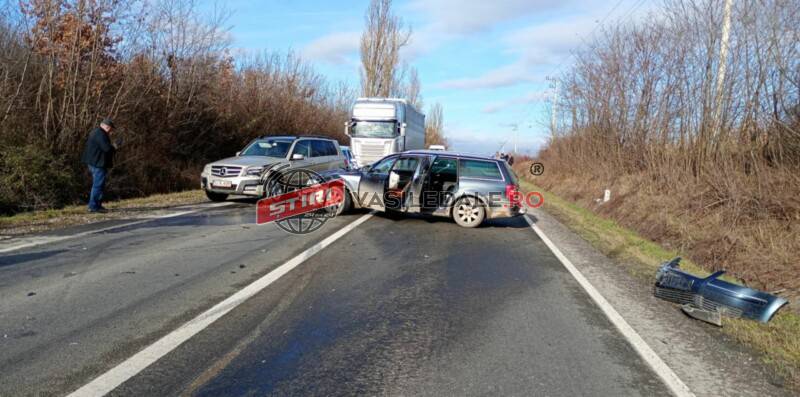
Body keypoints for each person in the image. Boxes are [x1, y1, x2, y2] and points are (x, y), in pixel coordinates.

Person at [81, 118, 116, 213]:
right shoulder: (100, 134)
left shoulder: (96, 132)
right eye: (111, 129)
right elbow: (107, 149)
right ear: (107, 127)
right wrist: (115, 146)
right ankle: (93, 206)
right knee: (98, 185)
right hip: (97, 163)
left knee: (99, 184)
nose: (111, 131)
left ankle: (98, 205)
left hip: (95, 162)